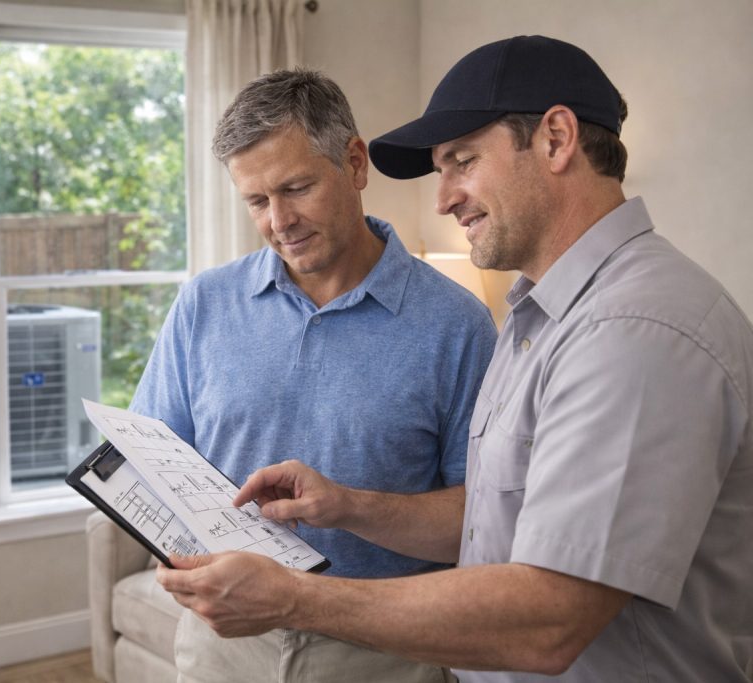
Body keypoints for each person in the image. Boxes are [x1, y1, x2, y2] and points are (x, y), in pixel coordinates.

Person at [156, 35, 753, 682]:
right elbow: (486, 525)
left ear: (556, 138)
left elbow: (552, 617)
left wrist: (295, 596)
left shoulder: (635, 332)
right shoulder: (542, 317)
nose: (442, 199)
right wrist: (344, 505)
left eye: (461, 161)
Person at [130, 68, 497, 682]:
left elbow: (481, 524)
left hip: (383, 651)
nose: (279, 221)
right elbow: (150, 463)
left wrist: (351, 506)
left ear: (355, 164)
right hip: (223, 646)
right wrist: (175, 552)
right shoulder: (203, 304)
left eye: (296, 188)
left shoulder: (458, 326)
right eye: (255, 200)